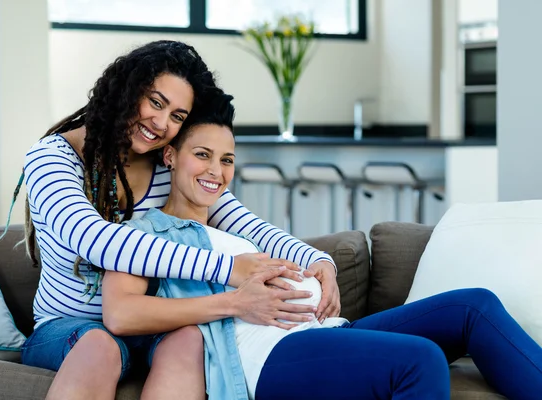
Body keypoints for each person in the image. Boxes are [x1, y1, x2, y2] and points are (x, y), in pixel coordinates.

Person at [106, 92, 542, 400]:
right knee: (421, 359)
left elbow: (294, 250)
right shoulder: (144, 235)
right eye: (201, 155)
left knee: (473, 306)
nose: (216, 171)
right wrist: (235, 303)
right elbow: (123, 313)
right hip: (266, 357)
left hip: (327, 333)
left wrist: (323, 264)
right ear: (169, 157)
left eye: (227, 159)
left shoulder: (233, 226)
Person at [0, 40, 339, 400]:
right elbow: (95, 240)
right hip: (69, 329)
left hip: (154, 323)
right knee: (99, 345)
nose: (160, 123)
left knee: (191, 338)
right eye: (156, 102)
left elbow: (247, 224)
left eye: (177, 116)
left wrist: (317, 261)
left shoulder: (168, 164)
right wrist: (228, 269)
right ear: (126, 89)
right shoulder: (52, 158)